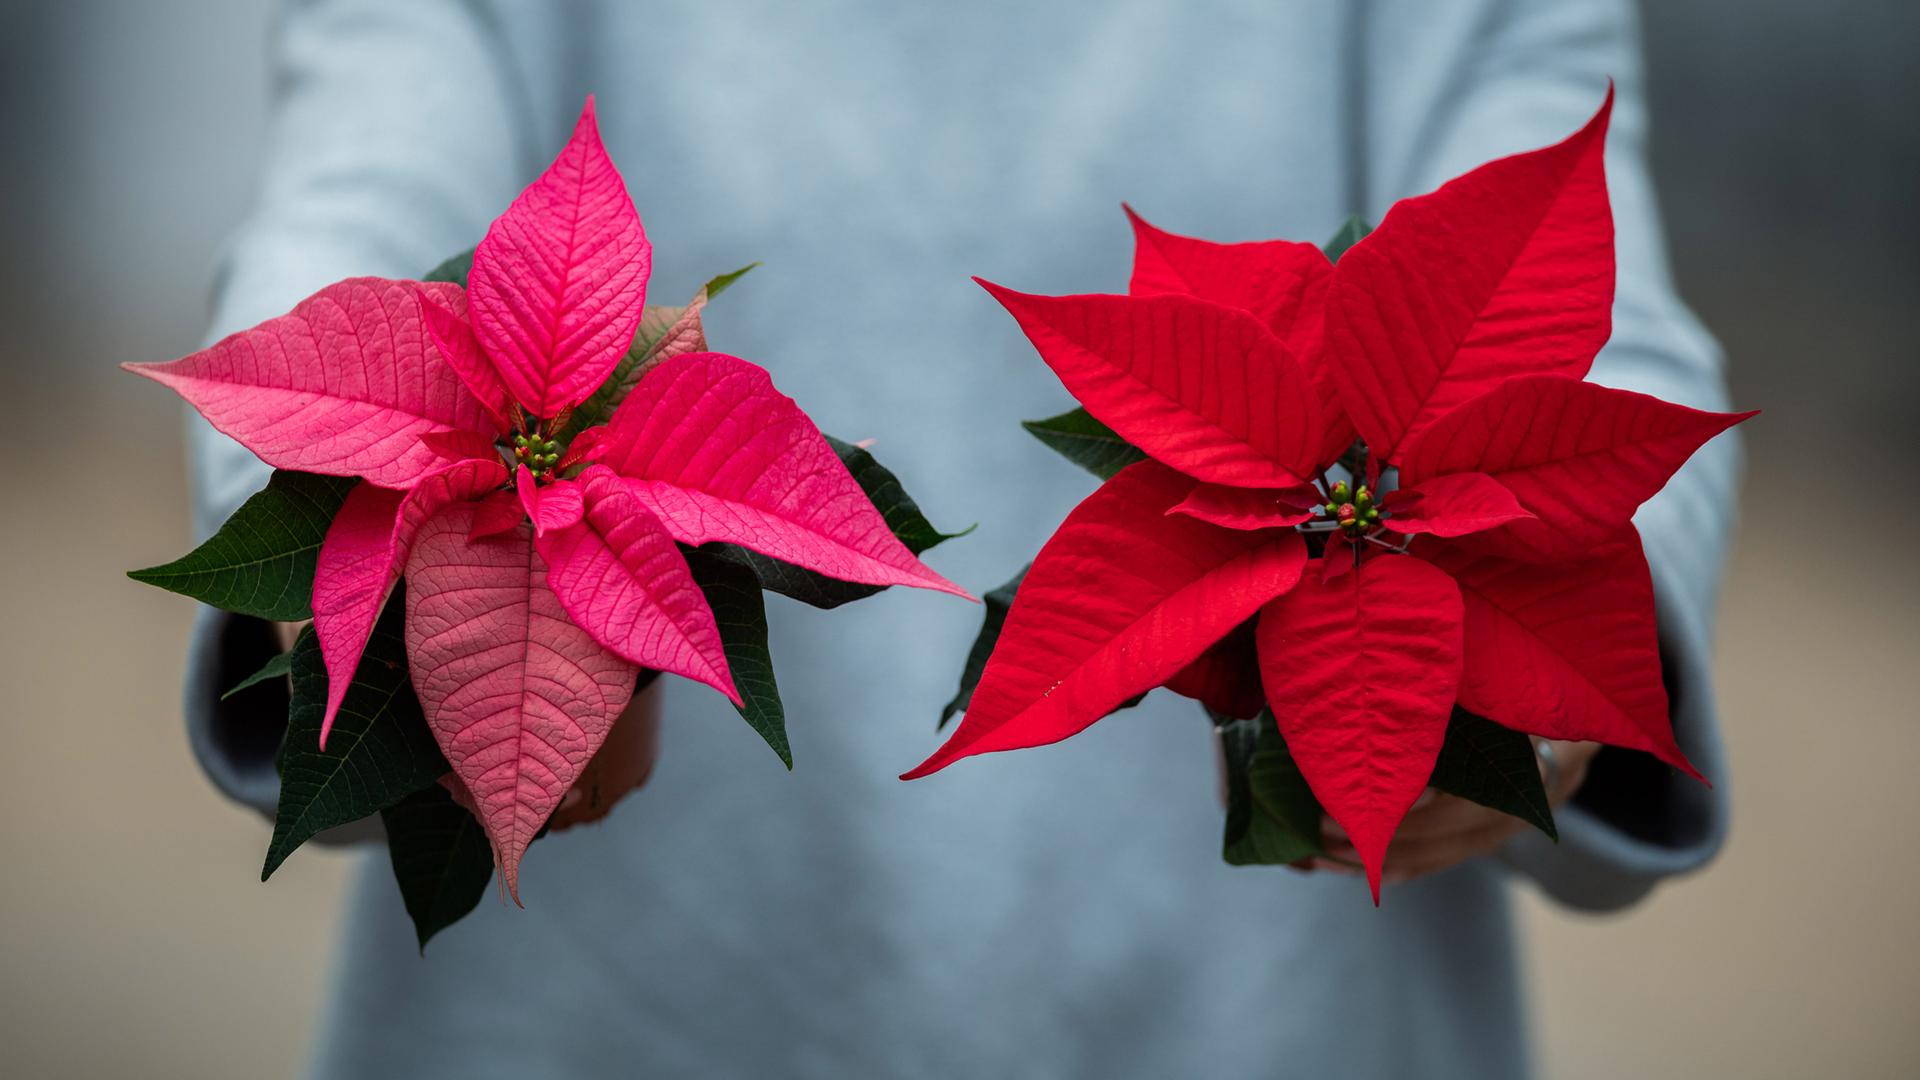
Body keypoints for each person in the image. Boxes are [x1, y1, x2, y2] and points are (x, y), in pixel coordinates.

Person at [184, 1, 1741, 1076]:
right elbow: (364, 183)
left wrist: (1543, 663)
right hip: (613, 997)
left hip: (1263, 1007)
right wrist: (362, 576)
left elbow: (1565, 300)